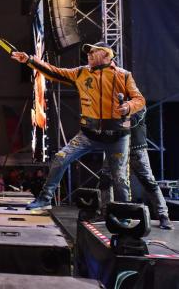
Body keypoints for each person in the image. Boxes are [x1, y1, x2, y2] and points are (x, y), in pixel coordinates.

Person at [12, 42, 146, 210]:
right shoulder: (81, 73)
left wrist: (128, 106)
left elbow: (140, 100)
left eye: (93, 52)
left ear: (107, 55)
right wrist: (30, 61)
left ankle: (124, 214)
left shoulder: (124, 75)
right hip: (88, 134)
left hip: (117, 136)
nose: (89, 54)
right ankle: (45, 198)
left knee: (120, 178)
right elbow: (55, 72)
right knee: (60, 158)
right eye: (88, 52)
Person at [102, 108, 173, 229]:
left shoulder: (138, 104)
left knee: (148, 181)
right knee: (106, 178)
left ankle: (163, 216)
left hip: (136, 148)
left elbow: (131, 122)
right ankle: (106, 211)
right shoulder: (112, 104)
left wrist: (113, 122)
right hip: (116, 148)